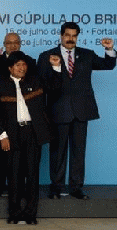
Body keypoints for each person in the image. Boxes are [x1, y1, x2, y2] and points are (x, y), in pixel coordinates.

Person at [38, 22, 116, 200]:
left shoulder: (87, 55)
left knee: (78, 151)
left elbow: (108, 65)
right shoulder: (46, 56)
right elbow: (43, 83)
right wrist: (56, 69)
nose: (70, 39)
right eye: (67, 35)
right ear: (61, 35)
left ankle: (76, 188)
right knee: (57, 152)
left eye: (74, 36)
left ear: (77, 37)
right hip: (58, 111)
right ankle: (56, 187)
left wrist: (110, 49)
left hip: (82, 111)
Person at [0, 51, 53, 225]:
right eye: (18, 65)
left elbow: (56, 86)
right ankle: (14, 213)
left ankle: (30, 214)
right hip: (12, 135)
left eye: (24, 64)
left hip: (33, 133)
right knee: (13, 175)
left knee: (32, 175)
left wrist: (56, 68)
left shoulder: (35, 81)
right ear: (10, 68)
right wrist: (2, 135)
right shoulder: (1, 85)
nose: (22, 68)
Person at [0, 33, 37, 197]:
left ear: (20, 44)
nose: (13, 46)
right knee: (1, 155)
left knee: (23, 161)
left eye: (16, 43)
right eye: (9, 43)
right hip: (2, 114)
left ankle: (20, 190)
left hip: (22, 115)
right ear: (4, 44)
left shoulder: (29, 62)